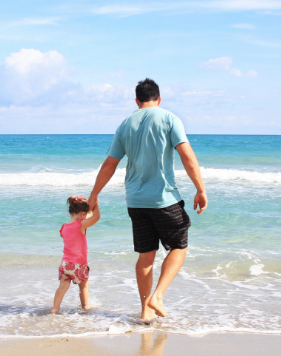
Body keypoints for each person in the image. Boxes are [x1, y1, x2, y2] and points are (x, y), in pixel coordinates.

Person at [88, 78, 208, 322]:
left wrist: (94, 194)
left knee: (146, 256)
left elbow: (110, 164)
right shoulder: (169, 118)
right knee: (179, 246)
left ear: (137, 101)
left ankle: (145, 311)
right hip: (163, 199)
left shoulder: (124, 125)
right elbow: (187, 156)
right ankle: (158, 297)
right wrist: (200, 189)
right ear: (159, 99)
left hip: (135, 200)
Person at [52, 195, 100, 314]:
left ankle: (55, 309)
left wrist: (84, 249)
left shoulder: (64, 228)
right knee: (83, 286)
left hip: (65, 264)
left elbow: (72, 242)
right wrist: (96, 205)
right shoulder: (80, 225)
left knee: (62, 287)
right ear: (83, 214)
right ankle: (85, 306)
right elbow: (96, 217)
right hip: (78, 264)